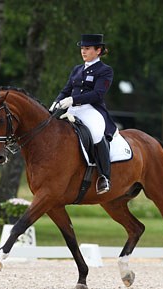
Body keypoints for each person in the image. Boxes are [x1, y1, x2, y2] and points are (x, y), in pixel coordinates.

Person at [50, 34, 117, 194]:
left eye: (87, 48)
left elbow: (98, 94)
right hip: (71, 109)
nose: (83, 52)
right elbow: (66, 89)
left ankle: (104, 177)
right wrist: (56, 102)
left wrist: (73, 100)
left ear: (98, 50)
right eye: (82, 48)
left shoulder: (105, 70)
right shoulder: (77, 69)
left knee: (95, 133)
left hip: (91, 110)